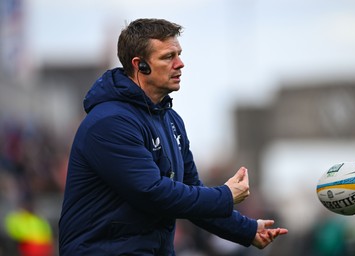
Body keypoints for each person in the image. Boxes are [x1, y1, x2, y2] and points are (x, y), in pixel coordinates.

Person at [58, 18, 288, 255]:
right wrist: (225, 195)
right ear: (140, 65)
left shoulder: (171, 121)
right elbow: (153, 193)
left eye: (179, 54)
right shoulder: (110, 122)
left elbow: (191, 193)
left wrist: (247, 230)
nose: (180, 64)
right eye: (168, 57)